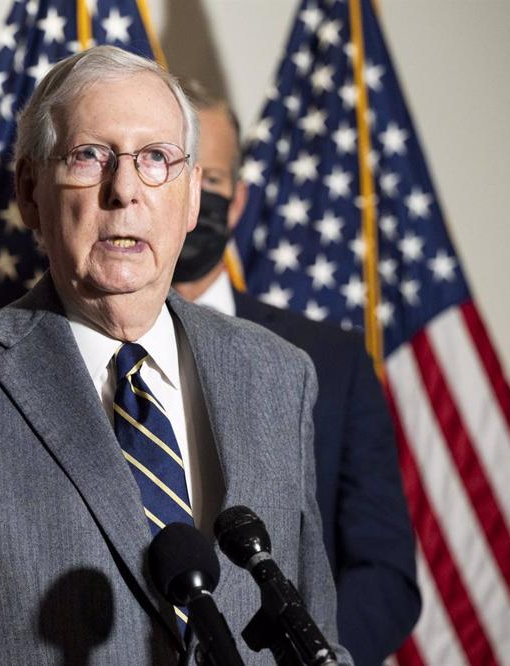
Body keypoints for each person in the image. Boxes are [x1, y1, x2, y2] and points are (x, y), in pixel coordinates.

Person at [0, 46, 352, 664]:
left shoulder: (275, 373)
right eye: (89, 157)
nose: (125, 190)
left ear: (190, 198)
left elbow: (309, 623)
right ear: (30, 192)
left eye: (156, 158)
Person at [171, 79, 421, 665]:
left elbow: (384, 571)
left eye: (213, 180)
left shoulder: (329, 363)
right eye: (178, 168)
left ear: (238, 200)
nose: (194, 197)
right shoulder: (82, 349)